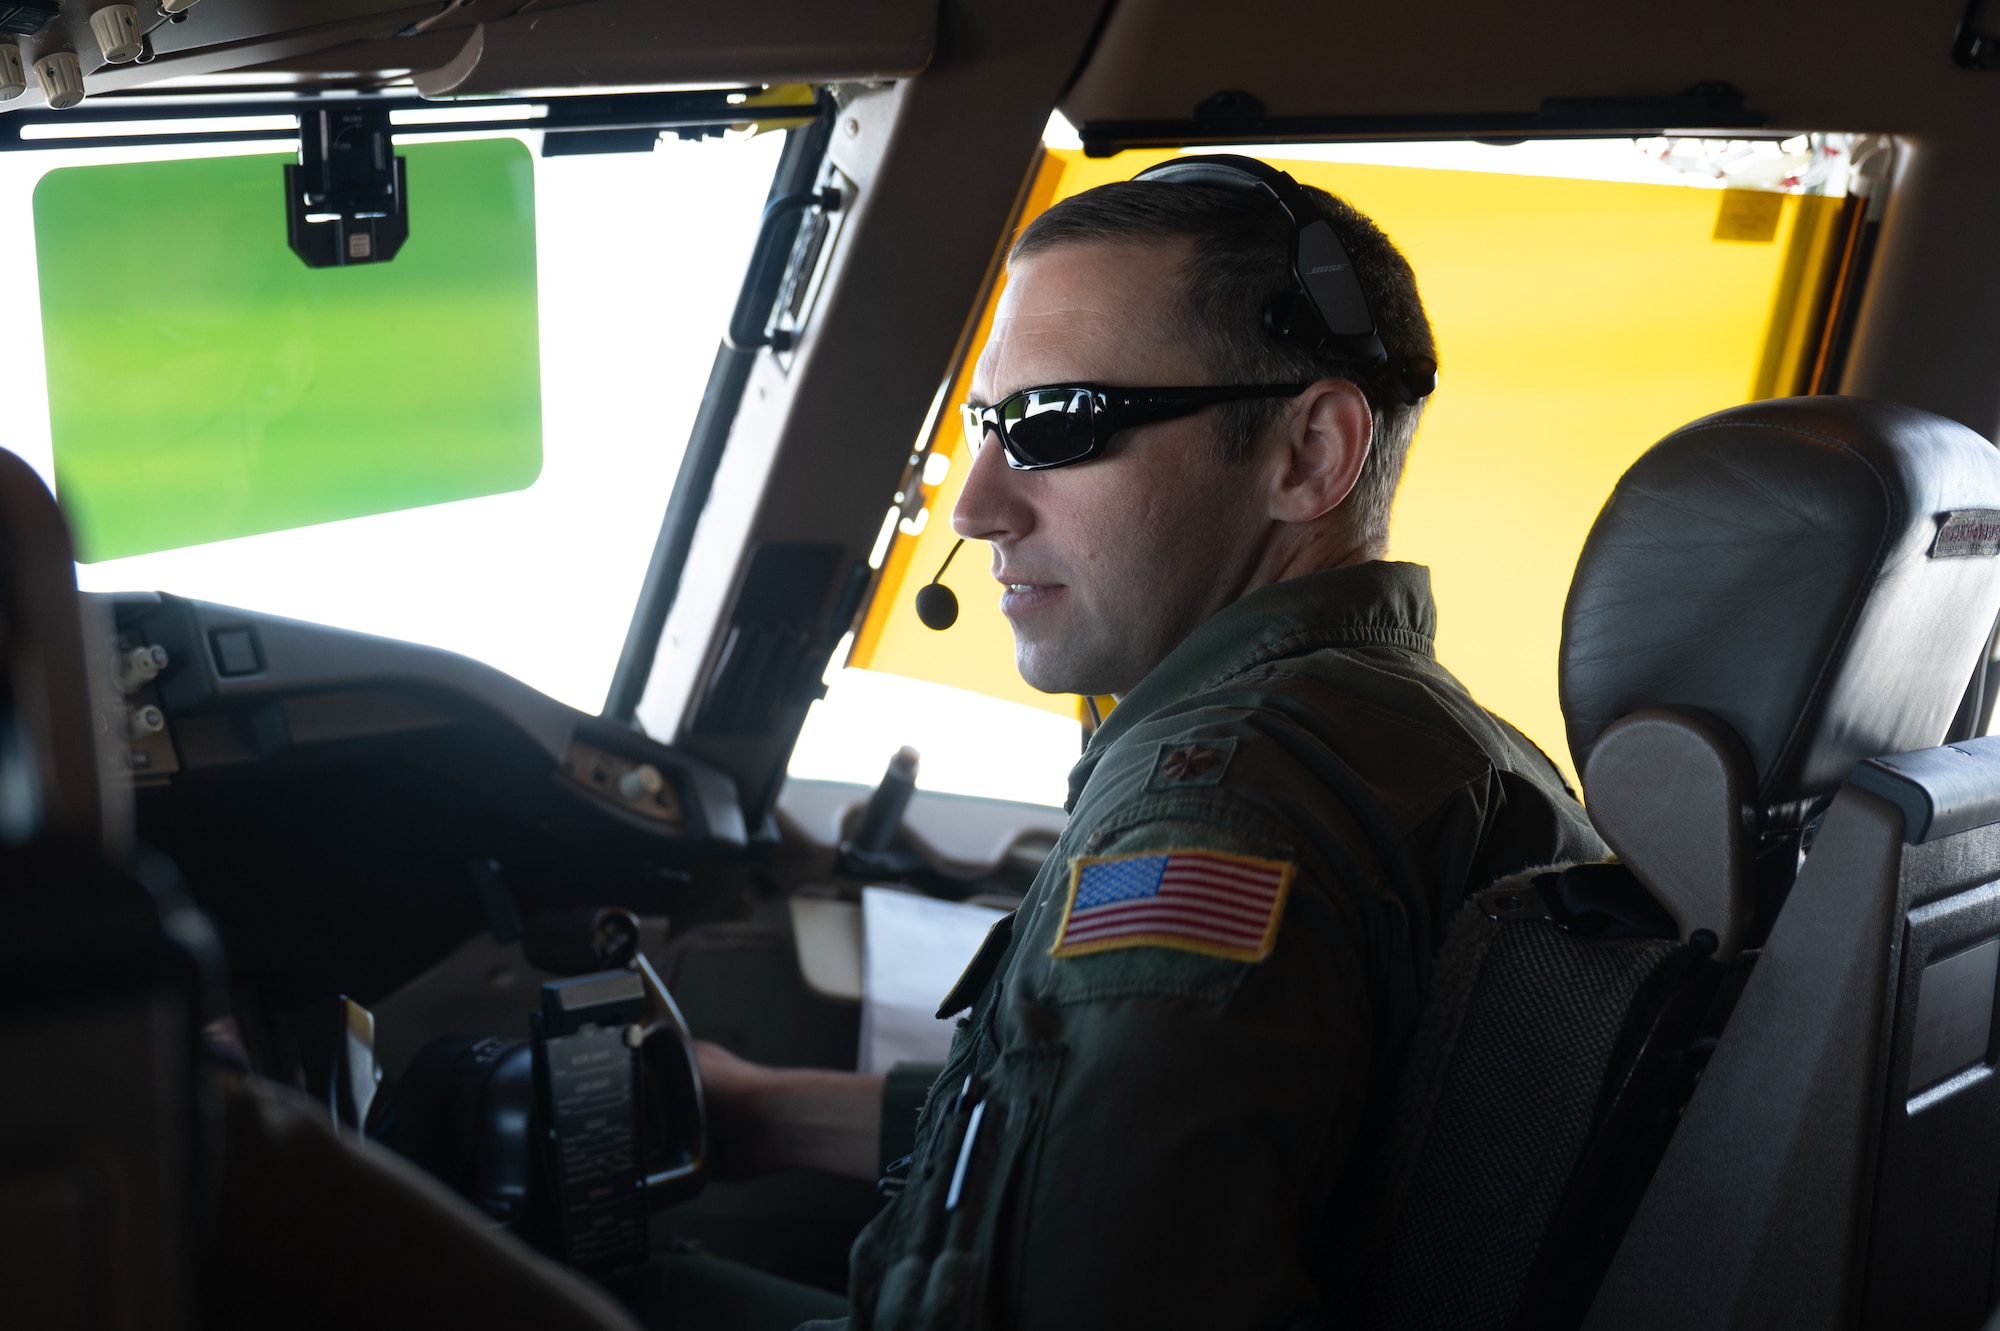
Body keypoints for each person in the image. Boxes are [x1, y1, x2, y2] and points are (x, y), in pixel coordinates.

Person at [692, 159, 1606, 1330]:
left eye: (1055, 423)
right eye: (988, 422)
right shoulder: (1425, 740)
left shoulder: (1224, 805)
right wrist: (762, 1109)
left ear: (1307, 455)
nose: (974, 507)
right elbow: (1069, 1121)